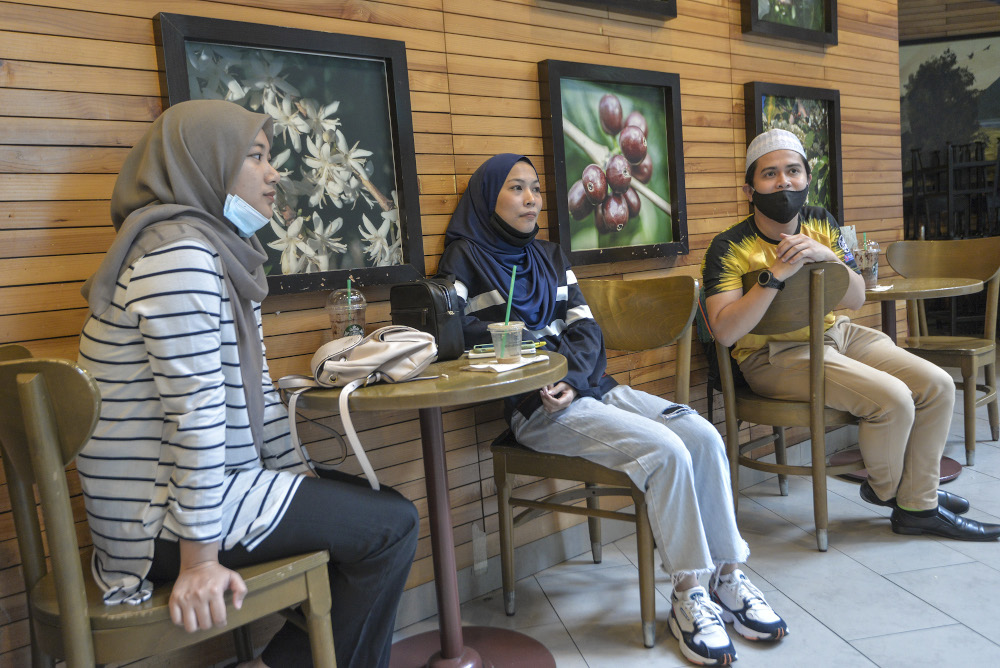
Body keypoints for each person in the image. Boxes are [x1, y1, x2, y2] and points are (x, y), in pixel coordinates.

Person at [76, 99, 419, 668]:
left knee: (375, 509)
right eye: (255, 157)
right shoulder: (178, 254)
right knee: (390, 527)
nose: (274, 172)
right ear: (203, 165)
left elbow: (248, 394)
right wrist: (199, 562)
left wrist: (297, 472)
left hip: (187, 496)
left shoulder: (213, 250)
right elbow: (196, 413)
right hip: (154, 522)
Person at [439, 153, 787, 666]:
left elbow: (585, 331)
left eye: (535, 187)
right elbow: (456, 338)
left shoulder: (550, 256)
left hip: (588, 389)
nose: (532, 199)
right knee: (666, 451)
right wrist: (537, 370)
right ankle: (688, 592)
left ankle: (728, 577)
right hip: (535, 410)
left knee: (702, 436)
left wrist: (573, 382)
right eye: (517, 189)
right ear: (487, 198)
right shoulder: (464, 261)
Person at [702, 128, 1000, 543]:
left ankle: (916, 498)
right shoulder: (728, 246)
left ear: (807, 179)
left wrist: (827, 257)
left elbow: (856, 297)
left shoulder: (823, 221)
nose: (783, 181)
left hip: (838, 333)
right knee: (893, 400)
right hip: (772, 355)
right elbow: (724, 330)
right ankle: (907, 499)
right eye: (769, 174)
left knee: (937, 385)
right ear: (750, 189)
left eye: (793, 171)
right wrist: (776, 276)